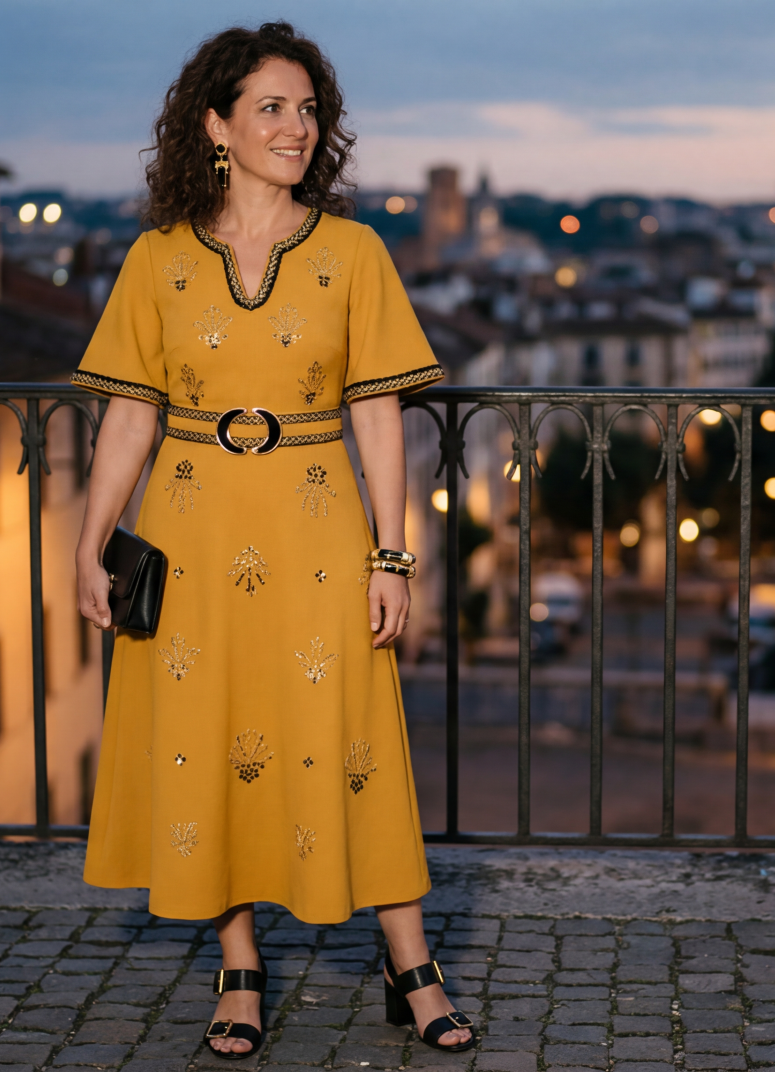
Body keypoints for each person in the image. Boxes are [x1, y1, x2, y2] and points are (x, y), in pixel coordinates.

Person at [71, 21, 476, 1059]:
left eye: (307, 110)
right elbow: (129, 416)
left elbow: (378, 416)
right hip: (191, 531)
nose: (297, 127)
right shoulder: (157, 259)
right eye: (271, 109)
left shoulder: (353, 252)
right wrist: (88, 543)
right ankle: (239, 963)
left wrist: (393, 556)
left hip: (317, 532)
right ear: (217, 126)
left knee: (353, 735)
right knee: (206, 734)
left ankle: (411, 963)